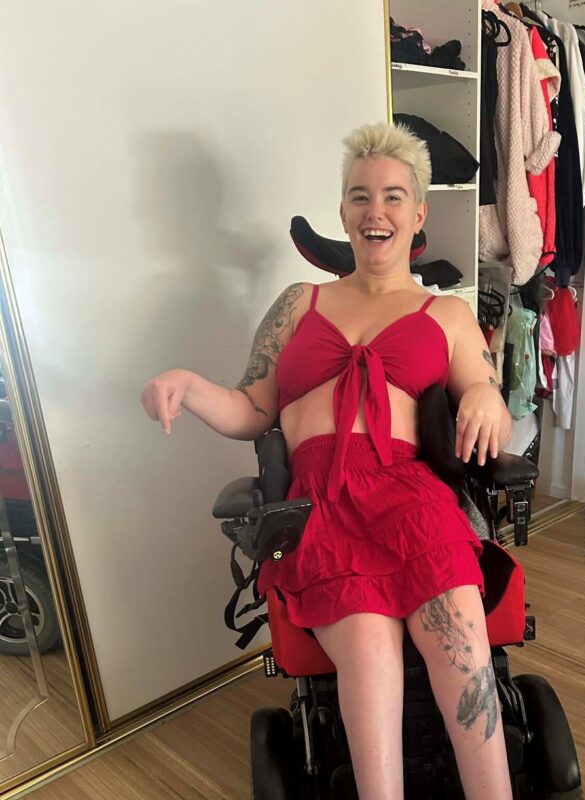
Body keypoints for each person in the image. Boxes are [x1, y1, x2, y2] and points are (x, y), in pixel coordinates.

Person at [141, 121, 514, 799]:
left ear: (419, 213)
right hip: (321, 507)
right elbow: (251, 408)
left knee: (460, 647)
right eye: (360, 196)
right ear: (343, 212)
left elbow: (486, 397)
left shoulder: (448, 315)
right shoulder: (298, 304)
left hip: (412, 499)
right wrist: (188, 385)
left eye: (394, 196)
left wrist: (488, 397)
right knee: (368, 655)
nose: (377, 211)